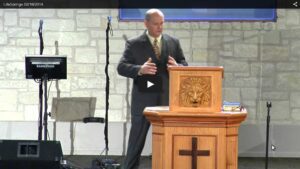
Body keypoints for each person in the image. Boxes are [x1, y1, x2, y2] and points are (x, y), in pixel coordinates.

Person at [117, 8, 188, 169]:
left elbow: (184, 64)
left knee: (170, 141)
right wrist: (139, 70)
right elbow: (121, 67)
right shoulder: (134, 44)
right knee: (136, 142)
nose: (160, 27)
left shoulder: (173, 42)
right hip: (144, 100)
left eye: (162, 23)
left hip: (167, 99)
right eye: (156, 24)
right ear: (146, 23)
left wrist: (178, 67)